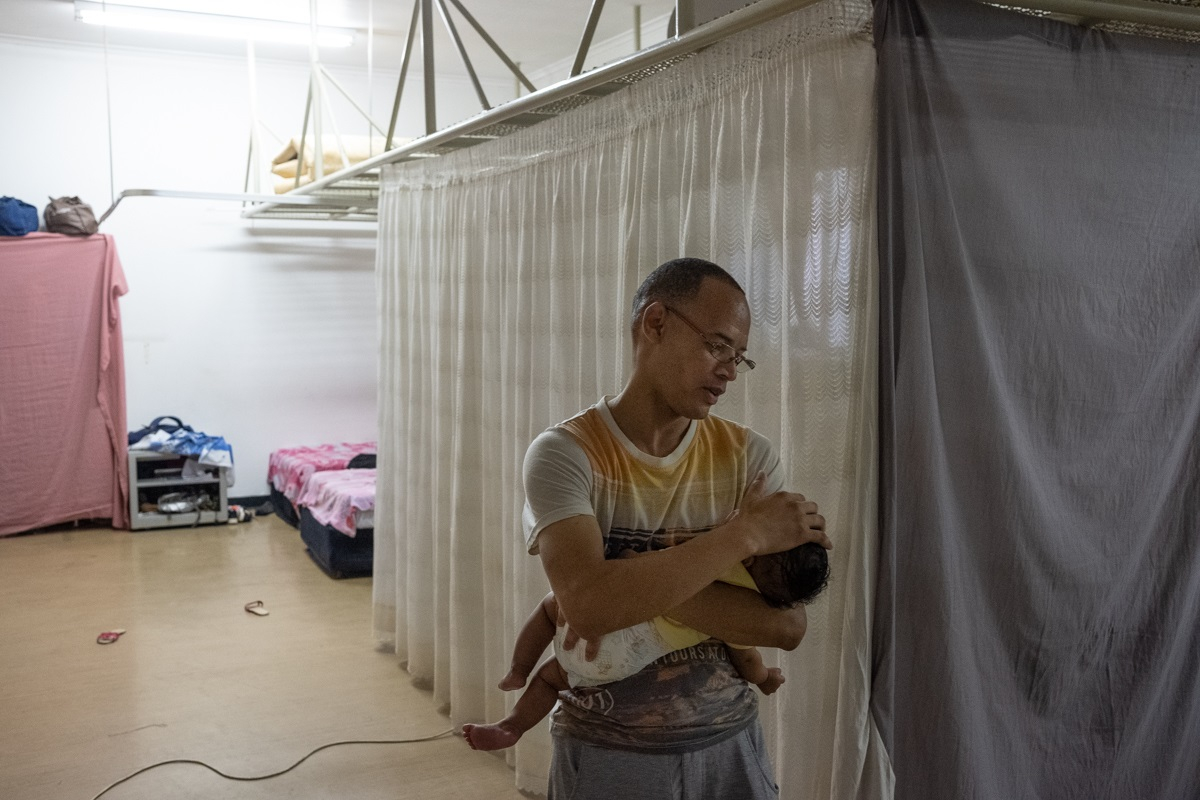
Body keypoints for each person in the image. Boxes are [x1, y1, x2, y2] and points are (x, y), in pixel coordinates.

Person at [518, 257, 832, 800]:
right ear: (655, 323)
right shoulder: (566, 455)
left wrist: (631, 581)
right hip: (606, 756)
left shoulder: (749, 459)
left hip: (732, 747)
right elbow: (591, 609)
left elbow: (787, 629)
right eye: (717, 346)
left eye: (739, 358)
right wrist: (741, 538)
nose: (730, 371)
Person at [462, 540, 830, 751]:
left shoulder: (720, 555)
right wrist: (765, 679)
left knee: (549, 608)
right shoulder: (743, 613)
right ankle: (513, 726)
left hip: (617, 616)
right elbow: (748, 662)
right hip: (619, 658)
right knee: (555, 678)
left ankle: (517, 674)